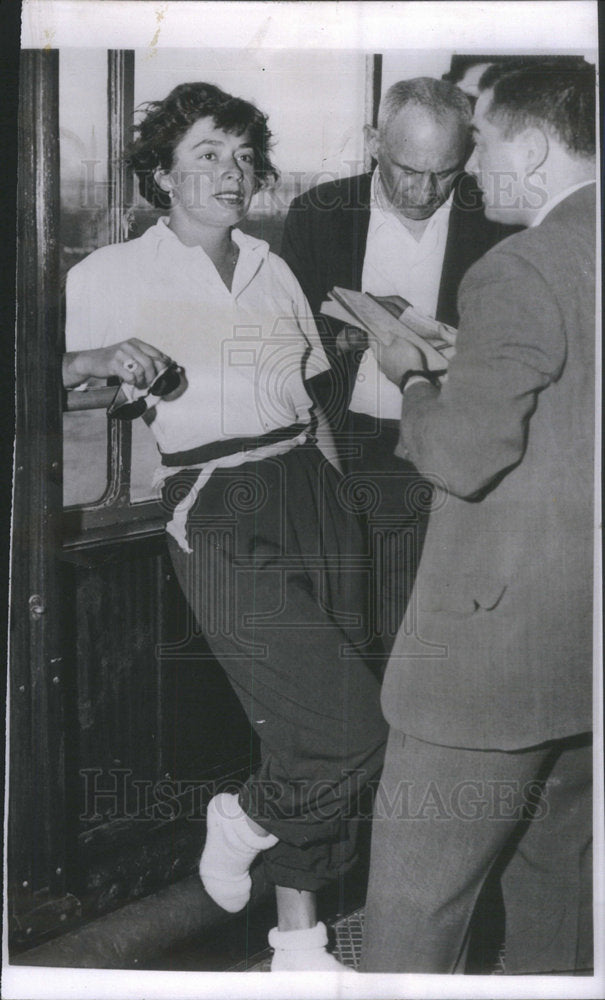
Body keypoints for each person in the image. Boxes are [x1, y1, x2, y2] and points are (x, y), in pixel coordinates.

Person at [62, 82, 387, 972]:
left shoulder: (270, 264)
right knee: (348, 729)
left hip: (310, 488)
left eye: (244, 155)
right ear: (160, 175)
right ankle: (243, 817)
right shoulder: (107, 276)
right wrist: (90, 357)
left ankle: (297, 941)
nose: (232, 170)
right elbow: (35, 374)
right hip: (214, 500)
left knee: (309, 732)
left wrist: (336, 494)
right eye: (208, 152)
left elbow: (309, 400)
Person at [360, 61, 596, 973]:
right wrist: (478, 360)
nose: (473, 161)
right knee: (557, 897)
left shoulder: (519, 263)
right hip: (586, 647)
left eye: (485, 139)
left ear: (532, 145)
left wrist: (412, 375)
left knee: (416, 910)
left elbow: (462, 456)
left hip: (489, 657)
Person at [281, 77, 517, 660]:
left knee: (434, 624)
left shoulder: (497, 221)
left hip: (446, 443)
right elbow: (288, 338)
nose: (425, 189)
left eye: (445, 171)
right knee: (349, 620)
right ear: (372, 142)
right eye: (408, 168)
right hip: (344, 440)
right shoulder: (319, 214)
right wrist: (342, 336)